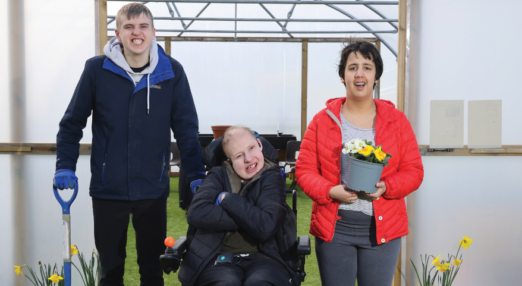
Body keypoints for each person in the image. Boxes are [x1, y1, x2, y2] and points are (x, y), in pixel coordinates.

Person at [53, 3, 206, 285]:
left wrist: (196, 174)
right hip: (107, 187)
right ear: (118, 33)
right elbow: (72, 123)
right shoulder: (97, 70)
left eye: (143, 26)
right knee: (110, 271)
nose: (137, 33)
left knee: (152, 269)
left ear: (153, 32)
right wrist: (64, 165)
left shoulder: (171, 72)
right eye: (129, 26)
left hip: (152, 186)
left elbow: (186, 129)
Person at [295, 40, 424, 286]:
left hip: (382, 230)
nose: (360, 73)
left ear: (376, 76)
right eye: (352, 67)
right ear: (343, 76)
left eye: (367, 66)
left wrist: (386, 186)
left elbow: (414, 171)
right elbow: (304, 170)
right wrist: (329, 191)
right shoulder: (323, 121)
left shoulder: (396, 121)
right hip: (335, 229)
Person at [179, 126, 299, 286]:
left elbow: (267, 226)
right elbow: (196, 213)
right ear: (230, 160)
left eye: (251, 148)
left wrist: (227, 199)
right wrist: (253, 218)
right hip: (218, 258)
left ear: (259, 144)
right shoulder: (217, 176)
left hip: (266, 258)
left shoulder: (272, 176)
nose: (249, 158)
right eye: (239, 155)